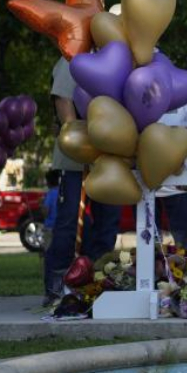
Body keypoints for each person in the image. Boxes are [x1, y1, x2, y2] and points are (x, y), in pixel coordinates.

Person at [44, 57, 120, 304]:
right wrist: (75, 139)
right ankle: (58, 286)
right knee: (69, 223)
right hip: (77, 159)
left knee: (107, 223)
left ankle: (98, 283)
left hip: (110, 156)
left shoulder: (117, 56)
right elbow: (63, 99)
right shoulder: (73, 59)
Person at [154, 99, 187, 249]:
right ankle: (153, 265)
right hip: (145, 175)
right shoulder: (138, 89)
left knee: (185, 238)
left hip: (180, 179)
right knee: (147, 238)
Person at [42, 170, 60, 251]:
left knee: (48, 251)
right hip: (61, 227)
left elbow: (45, 212)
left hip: (50, 227)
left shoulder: (50, 194)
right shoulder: (62, 192)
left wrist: (41, 204)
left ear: (48, 181)